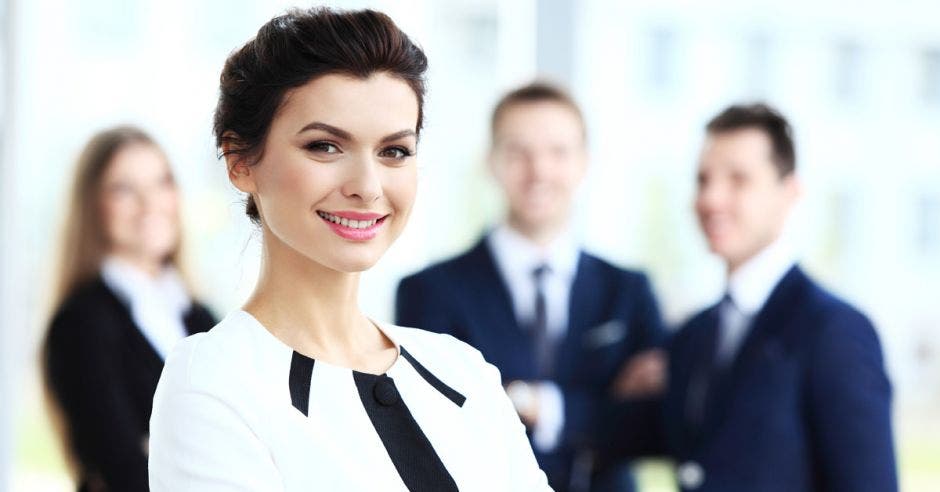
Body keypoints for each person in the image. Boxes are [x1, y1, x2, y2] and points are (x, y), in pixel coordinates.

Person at [147, 8, 550, 491]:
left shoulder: (464, 371)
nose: (367, 186)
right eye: (324, 146)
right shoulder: (215, 382)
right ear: (240, 161)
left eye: (394, 151)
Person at [396, 82, 665, 492]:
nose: (538, 171)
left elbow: (652, 427)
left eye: (558, 152)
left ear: (584, 163)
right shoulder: (430, 292)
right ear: (491, 161)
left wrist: (533, 403)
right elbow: (438, 423)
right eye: (518, 151)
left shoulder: (629, 292)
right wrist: (597, 409)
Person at [661, 103, 897, 491]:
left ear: (789, 193)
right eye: (703, 180)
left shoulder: (835, 331)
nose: (711, 199)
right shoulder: (692, 336)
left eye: (738, 180)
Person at [42, 125, 216, 492]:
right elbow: (123, 469)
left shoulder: (201, 318)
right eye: (124, 189)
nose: (149, 203)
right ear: (93, 206)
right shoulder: (81, 323)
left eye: (161, 183)